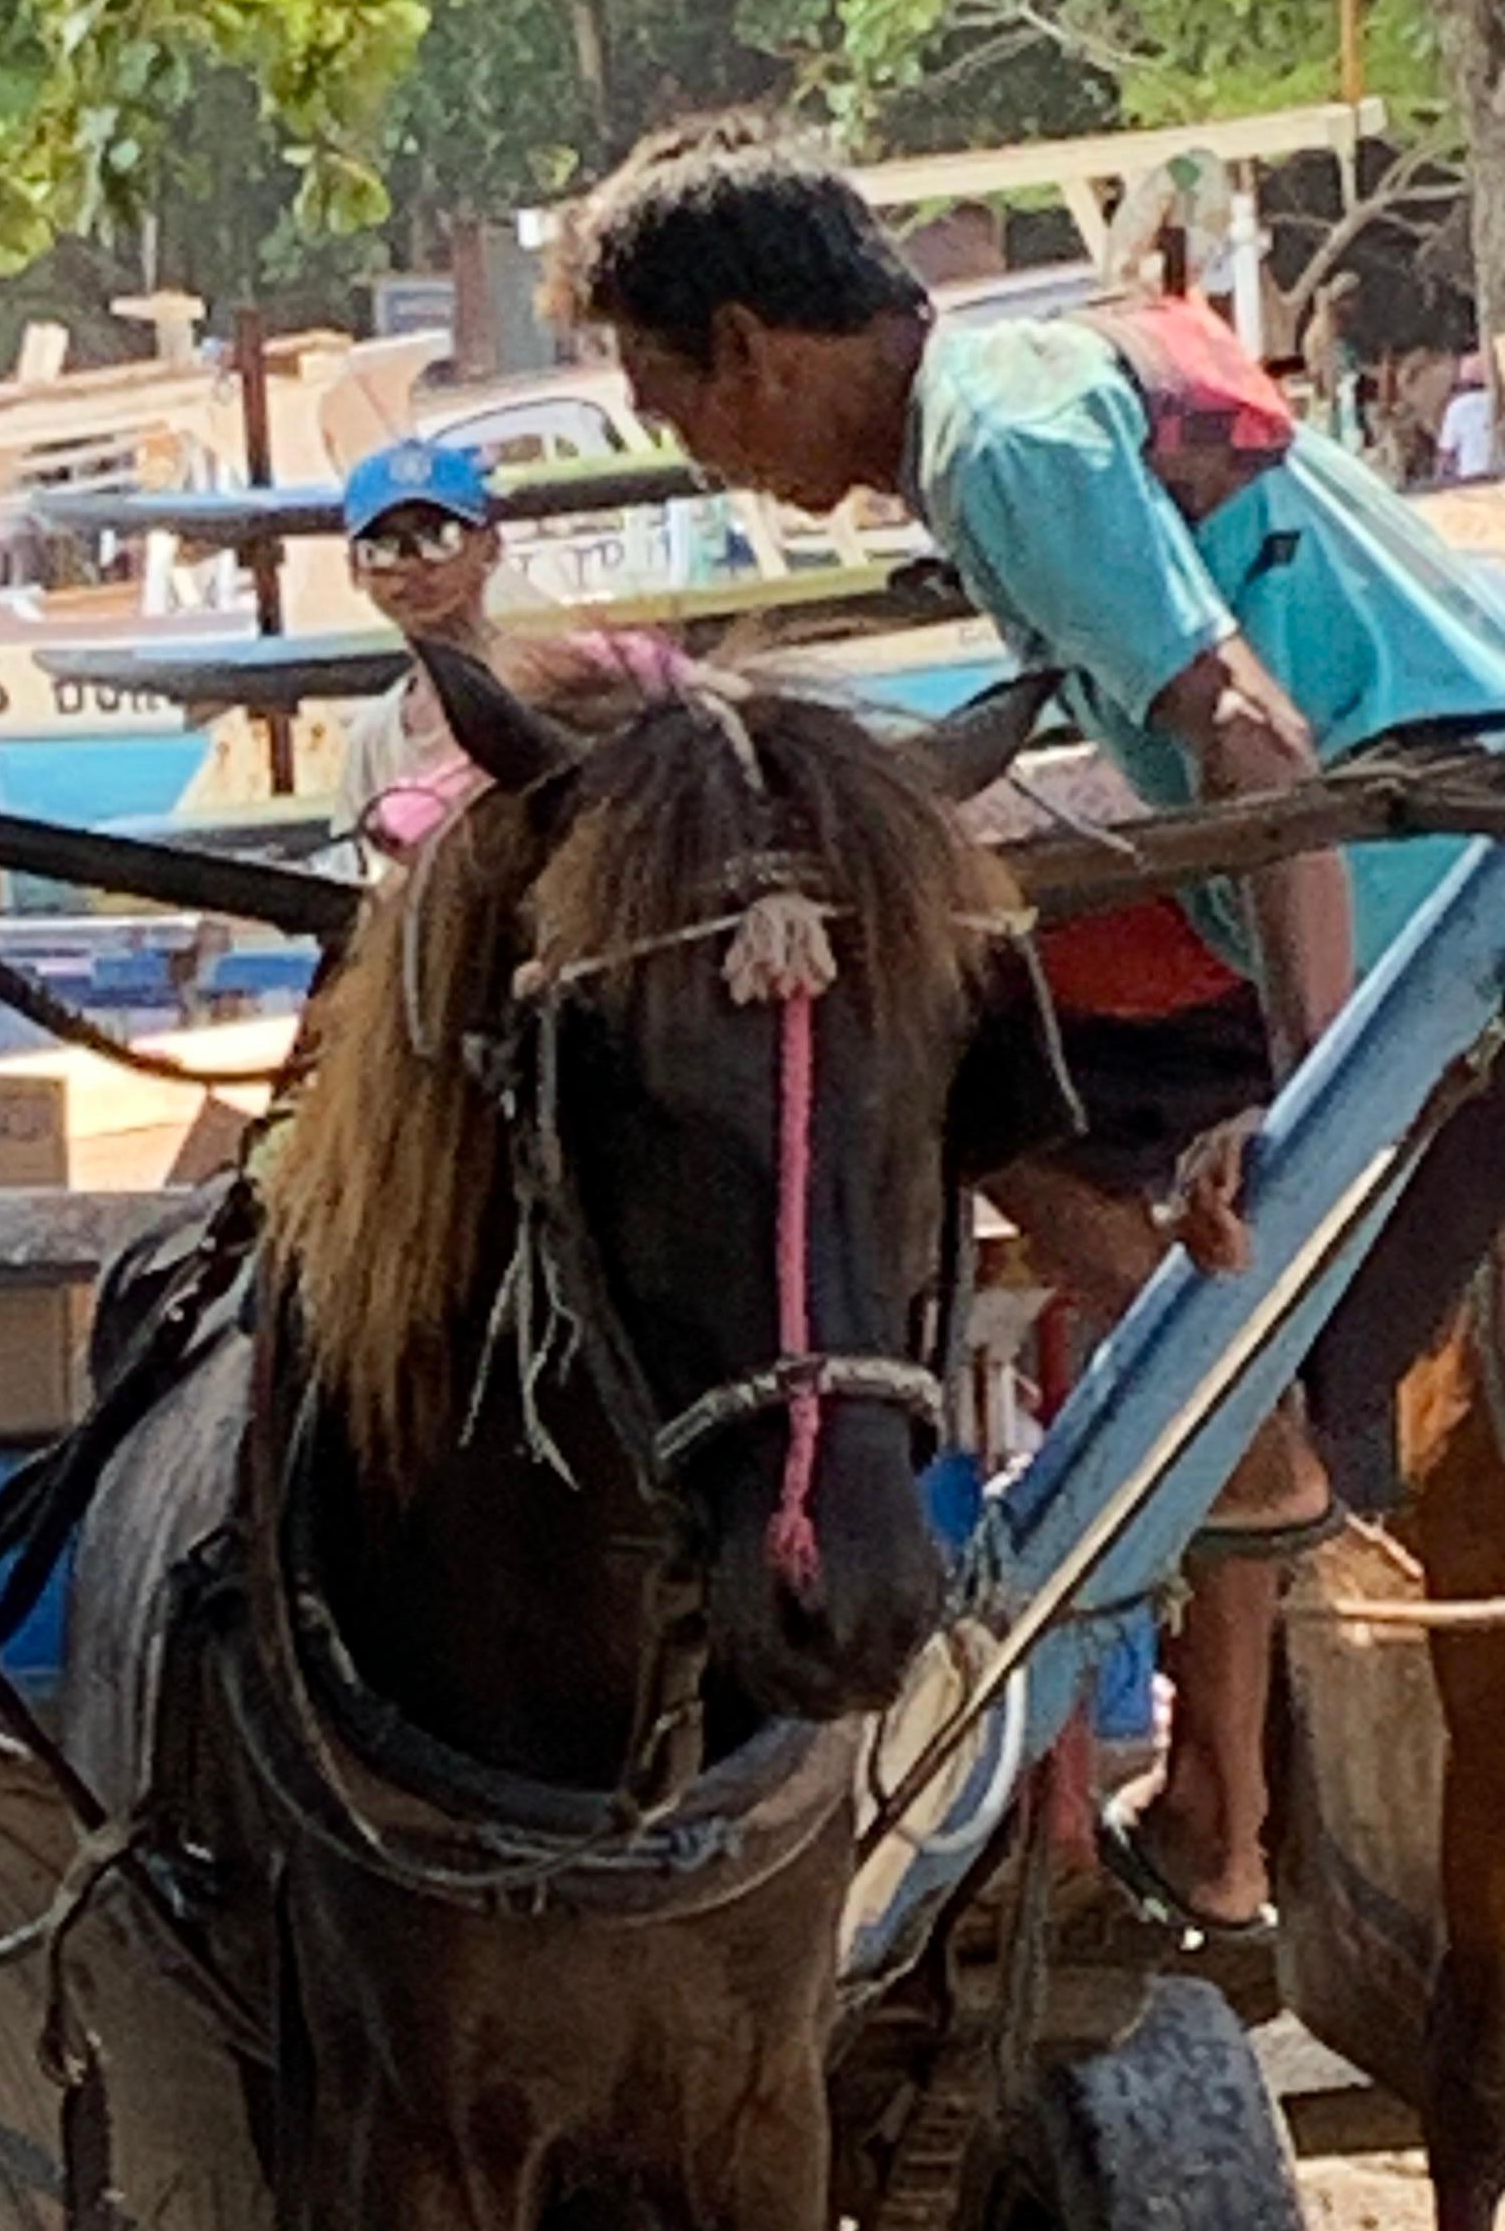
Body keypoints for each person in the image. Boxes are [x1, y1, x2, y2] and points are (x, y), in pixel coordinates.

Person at [559, 115, 1505, 1944]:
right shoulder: (1030, 374)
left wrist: (1302, 1128)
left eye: (684, 415)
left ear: (749, 344)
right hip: (1414, 867)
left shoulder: (993, 449)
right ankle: (1216, 1769)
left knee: (995, 1124)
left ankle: (1224, 1731)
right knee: (1021, 1082)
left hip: (1443, 908)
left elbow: (1253, 742)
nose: (708, 458)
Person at [331, 436, 545, 861]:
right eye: (382, 550)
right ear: (356, 570)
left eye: (438, 538)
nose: (411, 567)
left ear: (489, 545)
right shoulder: (374, 736)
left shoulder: (551, 686)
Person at [1440, 349, 1497, 487]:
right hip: (1499, 476)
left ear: (1464, 381)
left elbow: (1447, 450)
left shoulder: (1456, 407)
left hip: (1470, 477)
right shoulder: (1498, 403)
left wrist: (1441, 476)